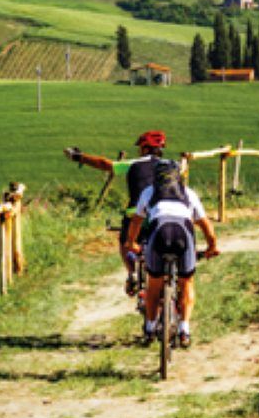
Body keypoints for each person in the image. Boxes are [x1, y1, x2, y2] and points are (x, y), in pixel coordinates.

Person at [125, 159, 219, 348]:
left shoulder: (149, 192)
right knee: (187, 282)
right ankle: (184, 329)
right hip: (182, 234)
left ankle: (150, 328)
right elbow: (205, 224)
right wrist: (212, 246)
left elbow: (136, 221)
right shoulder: (189, 193)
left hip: (158, 232)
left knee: (154, 285)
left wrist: (130, 242)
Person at [64, 130, 168, 296]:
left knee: (126, 242)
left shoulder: (134, 164)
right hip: (163, 213)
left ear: (144, 148)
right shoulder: (170, 166)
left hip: (136, 213)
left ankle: (132, 272)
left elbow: (105, 164)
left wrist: (79, 156)